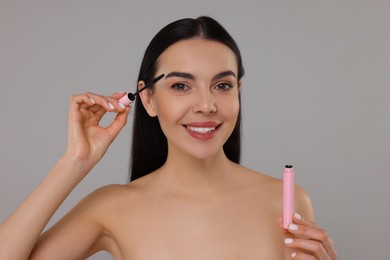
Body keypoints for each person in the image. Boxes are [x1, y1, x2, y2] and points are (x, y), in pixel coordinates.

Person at [0, 16, 337, 259]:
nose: (207, 105)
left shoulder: (288, 200)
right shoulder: (111, 207)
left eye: (222, 85)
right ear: (147, 99)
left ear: (239, 91)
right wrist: (74, 162)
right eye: (180, 86)